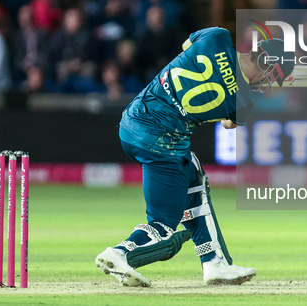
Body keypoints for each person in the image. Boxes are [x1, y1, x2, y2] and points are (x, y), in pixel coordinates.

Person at [95, 27, 294, 286]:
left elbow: (186, 45)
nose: (265, 85)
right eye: (270, 77)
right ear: (266, 61)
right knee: (163, 225)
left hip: (132, 120)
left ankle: (215, 263)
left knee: (194, 176)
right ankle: (120, 253)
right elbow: (228, 124)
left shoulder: (217, 37)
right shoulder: (243, 104)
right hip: (162, 142)